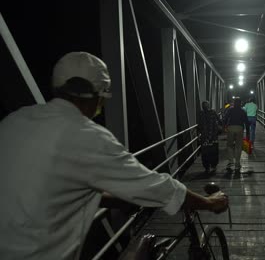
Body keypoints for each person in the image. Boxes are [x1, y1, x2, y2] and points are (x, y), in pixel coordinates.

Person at [0, 52, 228, 260]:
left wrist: (114, 197)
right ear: (97, 98)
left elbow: (48, 185)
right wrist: (209, 202)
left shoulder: (14, 121)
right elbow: (155, 186)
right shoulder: (88, 136)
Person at [223, 97, 250, 170]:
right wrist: (248, 133)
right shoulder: (243, 111)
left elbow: (225, 118)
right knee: (239, 146)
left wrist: (223, 126)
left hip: (231, 127)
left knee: (229, 145)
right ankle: (237, 163)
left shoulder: (230, 109)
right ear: (241, 103)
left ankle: (231, 161)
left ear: (234, 103)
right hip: (239, 128)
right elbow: (246, 122)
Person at [198, 101, 220, 173]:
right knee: (214, 152)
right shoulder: (213, 112)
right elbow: (219, 120)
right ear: (209, 106)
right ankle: (213, 166)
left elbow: (199, 125)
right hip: (213, 136)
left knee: (205, 153)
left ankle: (207, 167)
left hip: (204, 138)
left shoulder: (201, 114)